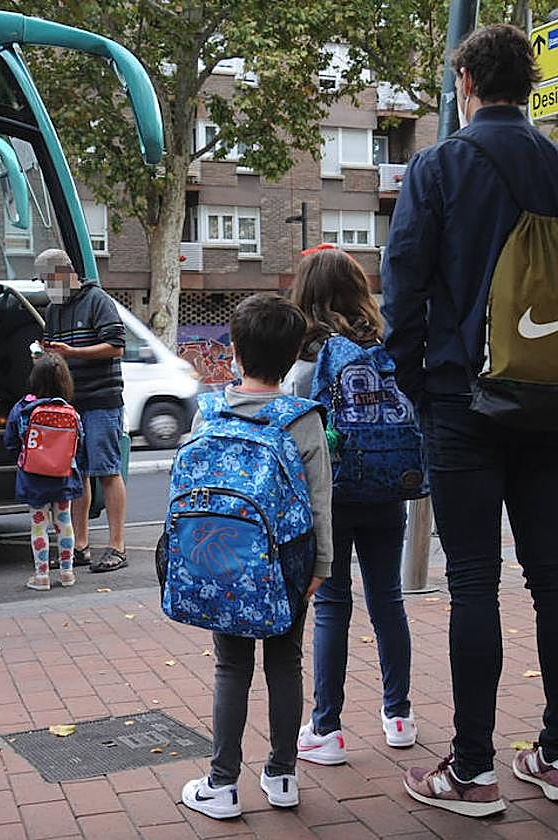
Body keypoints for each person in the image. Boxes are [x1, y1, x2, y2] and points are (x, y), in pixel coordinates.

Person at [384, 23, 558, 817]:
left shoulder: (440, 166)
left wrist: (420, 388)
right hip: (551, 403)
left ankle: (475, 771)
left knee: (476, 581)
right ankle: (552, 754)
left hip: (462, 401)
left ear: (465, 83)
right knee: (552, 579)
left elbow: (404, 291)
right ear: (528, 85)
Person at [180, 293, 331, 820]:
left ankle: (222, 784)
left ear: (236, 352)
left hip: (223, 558)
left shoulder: (208, 412)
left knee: (231, 666)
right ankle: (283, 774)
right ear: (292, 357)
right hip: (289, 560)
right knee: (286, 662)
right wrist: (323, 565)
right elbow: (319, 500)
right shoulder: (302, 419)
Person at [285, 247, 416, 767]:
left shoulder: (307, 359)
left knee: (332, 606)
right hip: (389, 484)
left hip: (333, 496)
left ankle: (327, 728)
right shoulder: (386, 347)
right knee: (389, 600)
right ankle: (399, 716)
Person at [36, 248, 128, 573]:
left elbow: (116, 346)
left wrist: (72, 352)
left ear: (65, 273)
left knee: (107, 470)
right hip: (70, 404)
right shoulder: (52, 310)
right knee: (79, 474)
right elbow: (56, 352)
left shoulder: (97, 300)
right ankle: (80, 545)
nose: (47, 287)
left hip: (102, 399)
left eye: (49, 280)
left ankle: (117, 545)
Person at [3, 352, 83, 591]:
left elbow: (10, 441)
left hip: (34, 476)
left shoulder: (23, 409)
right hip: (63, 475)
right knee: (64, 521)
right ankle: (67, 572)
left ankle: (42, 576)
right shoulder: (70, 411)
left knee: (39, 524)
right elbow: (80, 445)